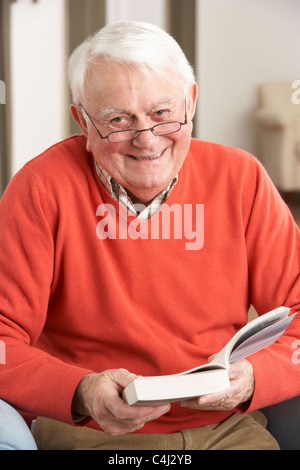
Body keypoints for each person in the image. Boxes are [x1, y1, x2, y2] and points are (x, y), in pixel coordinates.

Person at [0, 21, 299, 451]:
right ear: (83, 121)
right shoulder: (41, 188)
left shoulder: (242, 178)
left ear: (190, 102)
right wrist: (81, 390)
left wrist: (257, 377)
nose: (146, 140)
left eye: (162, 114)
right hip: (89, 432)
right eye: (118, 120)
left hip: (225, 430)